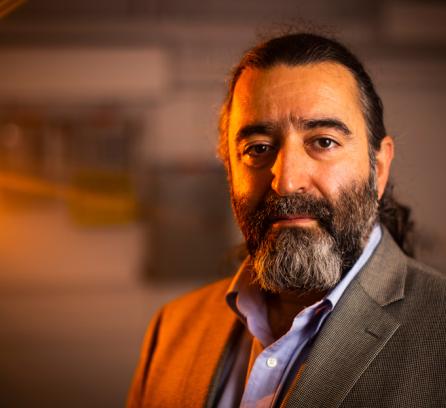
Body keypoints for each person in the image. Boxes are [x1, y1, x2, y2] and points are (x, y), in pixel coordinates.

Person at [127, 33, 446, 408]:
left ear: (378, 168)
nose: (288, 180)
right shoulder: (171, 330)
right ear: (230, 170)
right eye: (258, 148)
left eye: (323, 142)